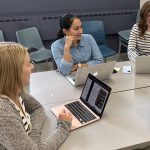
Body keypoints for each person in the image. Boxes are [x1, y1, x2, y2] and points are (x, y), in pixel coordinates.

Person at [0, 42, 72, 150]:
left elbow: (37, 108)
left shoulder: (15, 90)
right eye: (28, 64)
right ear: (13, 73)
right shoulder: (4, 114)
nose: (33, 67)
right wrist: (63, 126)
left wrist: (32, 137)